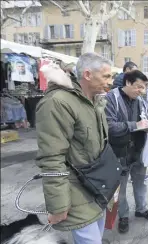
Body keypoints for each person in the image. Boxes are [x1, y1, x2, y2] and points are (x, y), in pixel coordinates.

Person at [35, 53, 112, 244]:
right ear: (87, 74)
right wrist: (58, 205)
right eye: (106, 76)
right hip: (75, 191)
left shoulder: (95, 100)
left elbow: (99, 146)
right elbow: (52, 156)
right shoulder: (58, 102)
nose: (111, 82)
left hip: (97, 188)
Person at [104, 70, 148, 234]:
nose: (141, 91)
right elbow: (110, 127)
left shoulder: (141, 101)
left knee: (141, 182)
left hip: (139, 151)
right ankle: (124, 216)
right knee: (120, 188)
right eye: (138, 87)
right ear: (127, 82)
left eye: (144, 88)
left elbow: (146, 119)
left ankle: (141, 209)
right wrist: (135, 125)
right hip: (119, 152)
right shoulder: (111, 99)